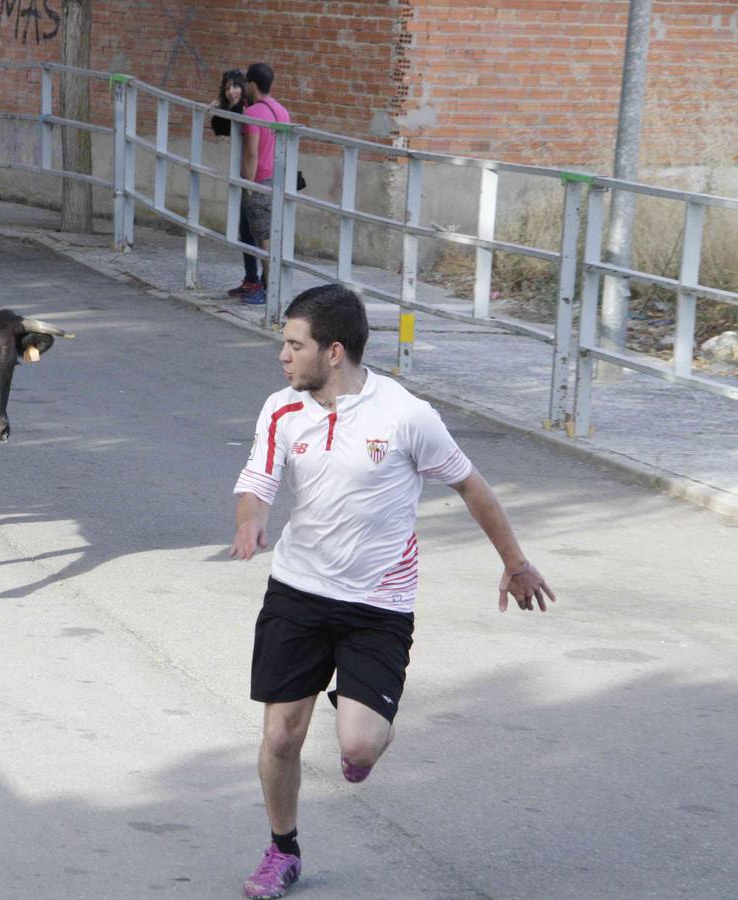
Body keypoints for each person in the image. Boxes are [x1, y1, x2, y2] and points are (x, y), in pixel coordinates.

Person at [229, 283, 555, 899]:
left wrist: (515, 562)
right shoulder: (281, 408)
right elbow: (257, 480)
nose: (282, 356)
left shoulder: (405, 415)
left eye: (293, 345)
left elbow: (471, 485)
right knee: (280, 736)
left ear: (332, 352)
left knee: (359, 745)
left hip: (377, 605)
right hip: (298, 591)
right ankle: (282, 849)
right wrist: (251, 516)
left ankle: (362, 719)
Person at [236, 62, 291, 307]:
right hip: (278, 179)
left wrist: (247, 186)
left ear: (253, 85)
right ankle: (266, 285)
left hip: (260, 180)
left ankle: (270, 290)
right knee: (270, 234)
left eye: (246, 82)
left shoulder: (254, 114)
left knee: (264, 238)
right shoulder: (281, 111)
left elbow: (251, 153)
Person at [209, 68, 262, 300]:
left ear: (245, 86)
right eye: (228, 87)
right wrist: (217, 108)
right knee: (245, 230)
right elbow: (220, 129)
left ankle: (260, 282)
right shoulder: (237, 110)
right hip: (245, 175)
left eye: (236, 86)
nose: (232, 91)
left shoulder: (251, 111)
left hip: (257, 176)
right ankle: (251, 279)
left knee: (257, 230)